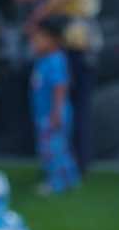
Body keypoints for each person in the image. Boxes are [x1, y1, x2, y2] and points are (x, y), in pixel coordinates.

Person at [15, 0, 99, 173]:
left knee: (72, 114)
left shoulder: (55, 57)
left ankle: (71, 168)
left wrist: (37, 17)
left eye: (39, 37)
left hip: (75, 40)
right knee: (76, 111)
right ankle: (71, 167)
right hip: (78, 40)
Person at [28, 16, 80, 194]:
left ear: (54, 40)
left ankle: (56, 183)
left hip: (53, 115)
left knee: (53, 150)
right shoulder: (43, 59)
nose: (34, 42)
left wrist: (57, 112)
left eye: (39, 38)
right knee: (57, 148)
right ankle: (69, 179)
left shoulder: (55, 60)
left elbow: (60, 87)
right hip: (44, 114)